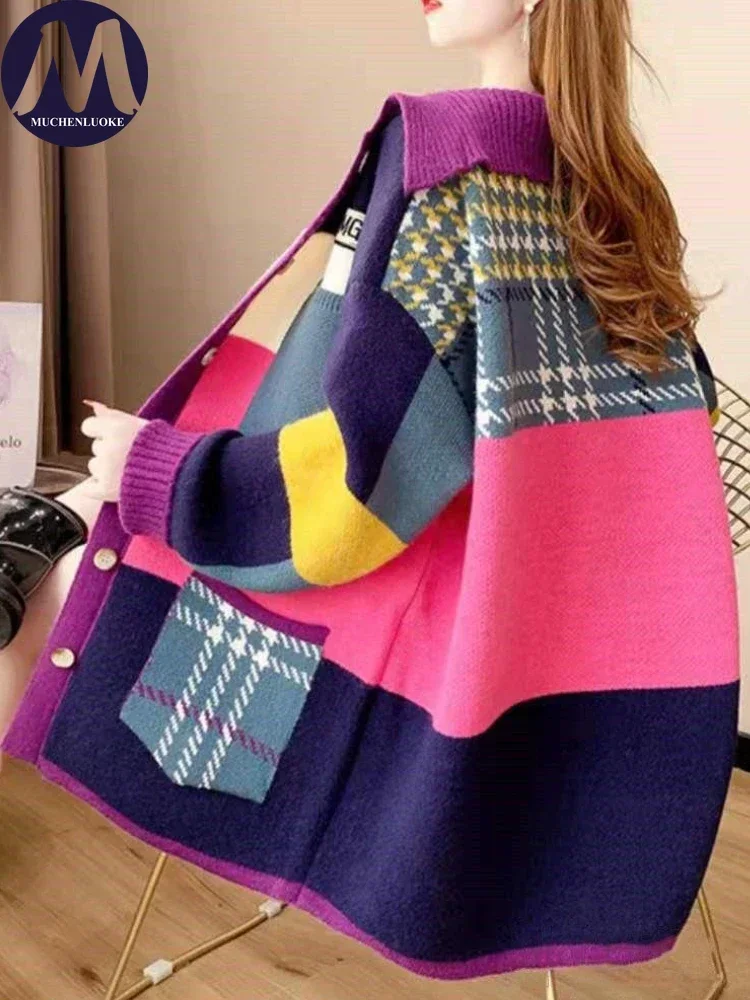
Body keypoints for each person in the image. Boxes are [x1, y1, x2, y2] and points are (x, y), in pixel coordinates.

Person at [0, 0, 738, 981]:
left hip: (358, 630)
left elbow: (361, 485)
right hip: (561, 675)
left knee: (27, 588)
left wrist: (158, 470)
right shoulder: (619, 188)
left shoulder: (446, 158)